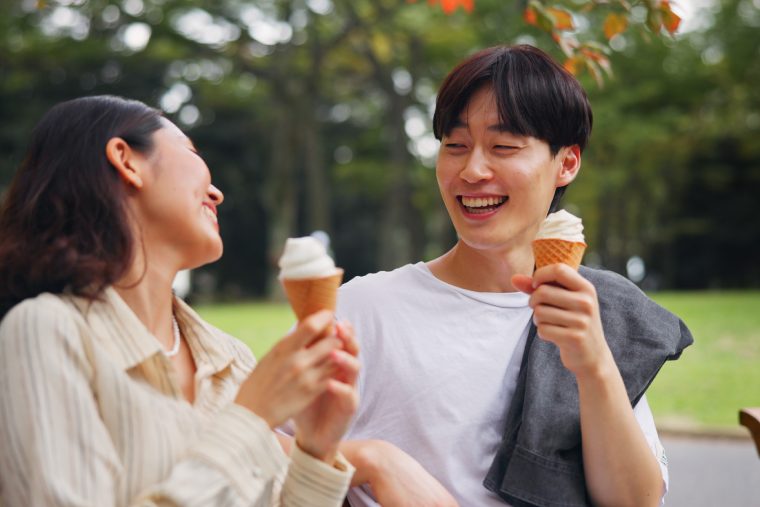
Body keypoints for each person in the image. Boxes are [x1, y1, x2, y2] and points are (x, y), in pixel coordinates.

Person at [337, 45, 693, 507]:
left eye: (504, 147)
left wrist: (594, 365)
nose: (473, 170)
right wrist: (375, 462)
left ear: (566, 163)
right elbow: (257, 450)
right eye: (455, 146)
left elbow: (634, 502)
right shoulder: (365, 309)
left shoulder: (595, 307)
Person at [0, 95, 360, 506]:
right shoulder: (46, 330)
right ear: (127, 160)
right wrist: (251, 419)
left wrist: (315, 448)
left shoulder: (231, 359)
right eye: (191, 151)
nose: (217, 193)